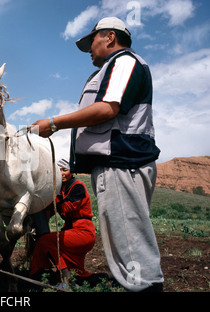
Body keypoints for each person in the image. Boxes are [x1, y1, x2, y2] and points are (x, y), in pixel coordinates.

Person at [30, 17, 164, 292]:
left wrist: (53, 123)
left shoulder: (124, 62)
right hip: (117, 165)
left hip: (122, 164)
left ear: (110, 37)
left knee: (132, 246)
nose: (89, 49)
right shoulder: (113, 67)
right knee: (127, 243)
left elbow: (107, 109)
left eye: (91, 41)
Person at [30, 159, 97, 287]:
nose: (61, 174)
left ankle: (43, 275)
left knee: (46, 240)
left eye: (64, 170)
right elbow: (49, 210)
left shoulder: (78, 186)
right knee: (78, 274)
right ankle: (110, 278)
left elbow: (66, 207)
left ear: (72, 172)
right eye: (58, 171)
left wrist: (51, 196)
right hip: (72, 231)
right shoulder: (62, 189)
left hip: (83, 232)